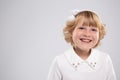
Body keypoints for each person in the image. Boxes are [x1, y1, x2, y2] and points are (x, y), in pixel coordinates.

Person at [47, 10, 117, 80]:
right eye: (81, 28)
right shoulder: (60, 62)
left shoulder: (105, 60)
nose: (87, 34)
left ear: (99, 34)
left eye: (93, 30)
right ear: (71, 31)